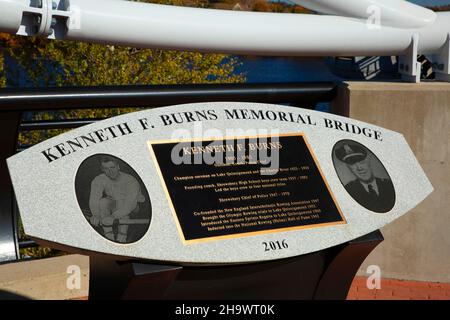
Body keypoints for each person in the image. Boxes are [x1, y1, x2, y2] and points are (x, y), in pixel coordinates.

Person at [88, 155, 146, 242]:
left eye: (112, 167)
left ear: (118, 167)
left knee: (121, 202)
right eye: (106, 168)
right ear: (102, 169)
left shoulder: (131, 180)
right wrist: (96, 215)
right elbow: (94, 198)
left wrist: (113, 217)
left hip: (135, 207)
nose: (110, 171)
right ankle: (109, 238)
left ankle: (121, 239)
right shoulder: (99, 180)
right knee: (103, 202)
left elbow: (129, 205)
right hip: (114, 204)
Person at [335, 143, 395, 213]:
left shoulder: (388, 184)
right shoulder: (348, 189)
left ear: (368, 162)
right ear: (349, 168)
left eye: (361, 162)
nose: (359, 168)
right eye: (352, 164)